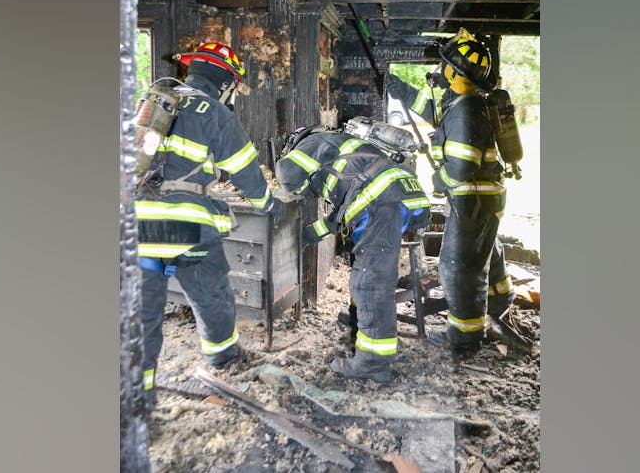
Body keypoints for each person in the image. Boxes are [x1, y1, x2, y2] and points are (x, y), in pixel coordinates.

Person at [135, 41, 283, 410]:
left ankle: (138, 402)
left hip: (135, 224)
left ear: (191, 70)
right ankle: (223, 357)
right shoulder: (212, 110)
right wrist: (268, 204)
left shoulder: (152, 102)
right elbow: (246, 169)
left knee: (140, 316)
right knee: (211, 293)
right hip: (187, 227)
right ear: (226, 82)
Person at [386, 29, 514, 353]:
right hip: (485, 198)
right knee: (486, 254)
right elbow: (434, 114)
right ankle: (500, 306)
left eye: (445, 65)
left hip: (472, 199)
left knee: (458, 266)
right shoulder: (464, 101)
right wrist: (401, 89)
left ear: (455, 72)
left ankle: (464, 338)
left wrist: (440, 180)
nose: (440, 69)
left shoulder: (466, 110)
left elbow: (459, 166)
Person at [275, 127, 431, 382]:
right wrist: (307, 235)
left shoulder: (312, 143)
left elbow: (287, 173)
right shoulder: (344, 149)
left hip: (382, 202)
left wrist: (280, 195)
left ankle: (372, 363)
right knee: (370, 277)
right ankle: (365, 329)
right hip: (400, 197)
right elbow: (340, 216)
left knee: (370, 282)